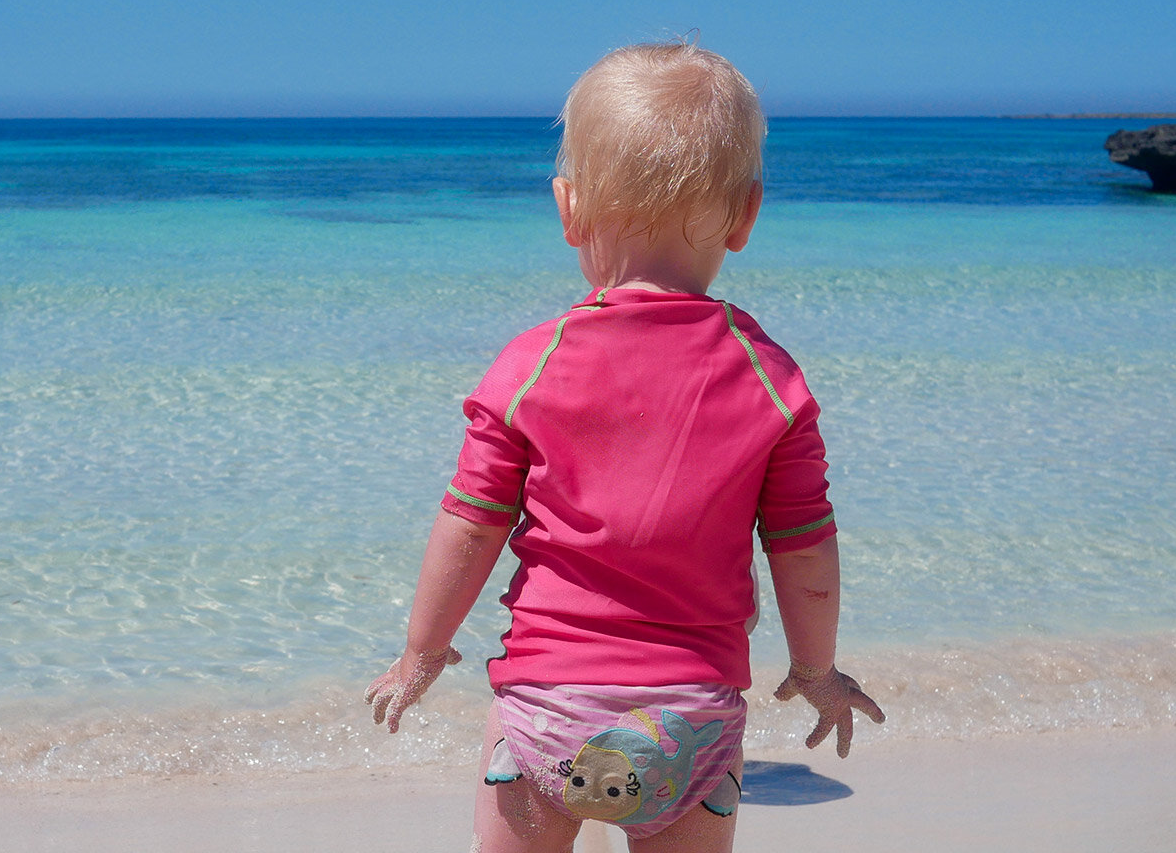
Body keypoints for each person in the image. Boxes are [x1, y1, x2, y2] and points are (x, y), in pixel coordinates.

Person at [364, 43, 883, 853]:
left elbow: (469, 524)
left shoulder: (532, 364)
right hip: (693, 725)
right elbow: (804, 547)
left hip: (544, 713)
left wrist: (421, 652)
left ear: (567, 209)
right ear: (747, 215)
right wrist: (816, 672)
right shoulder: (770, 377)